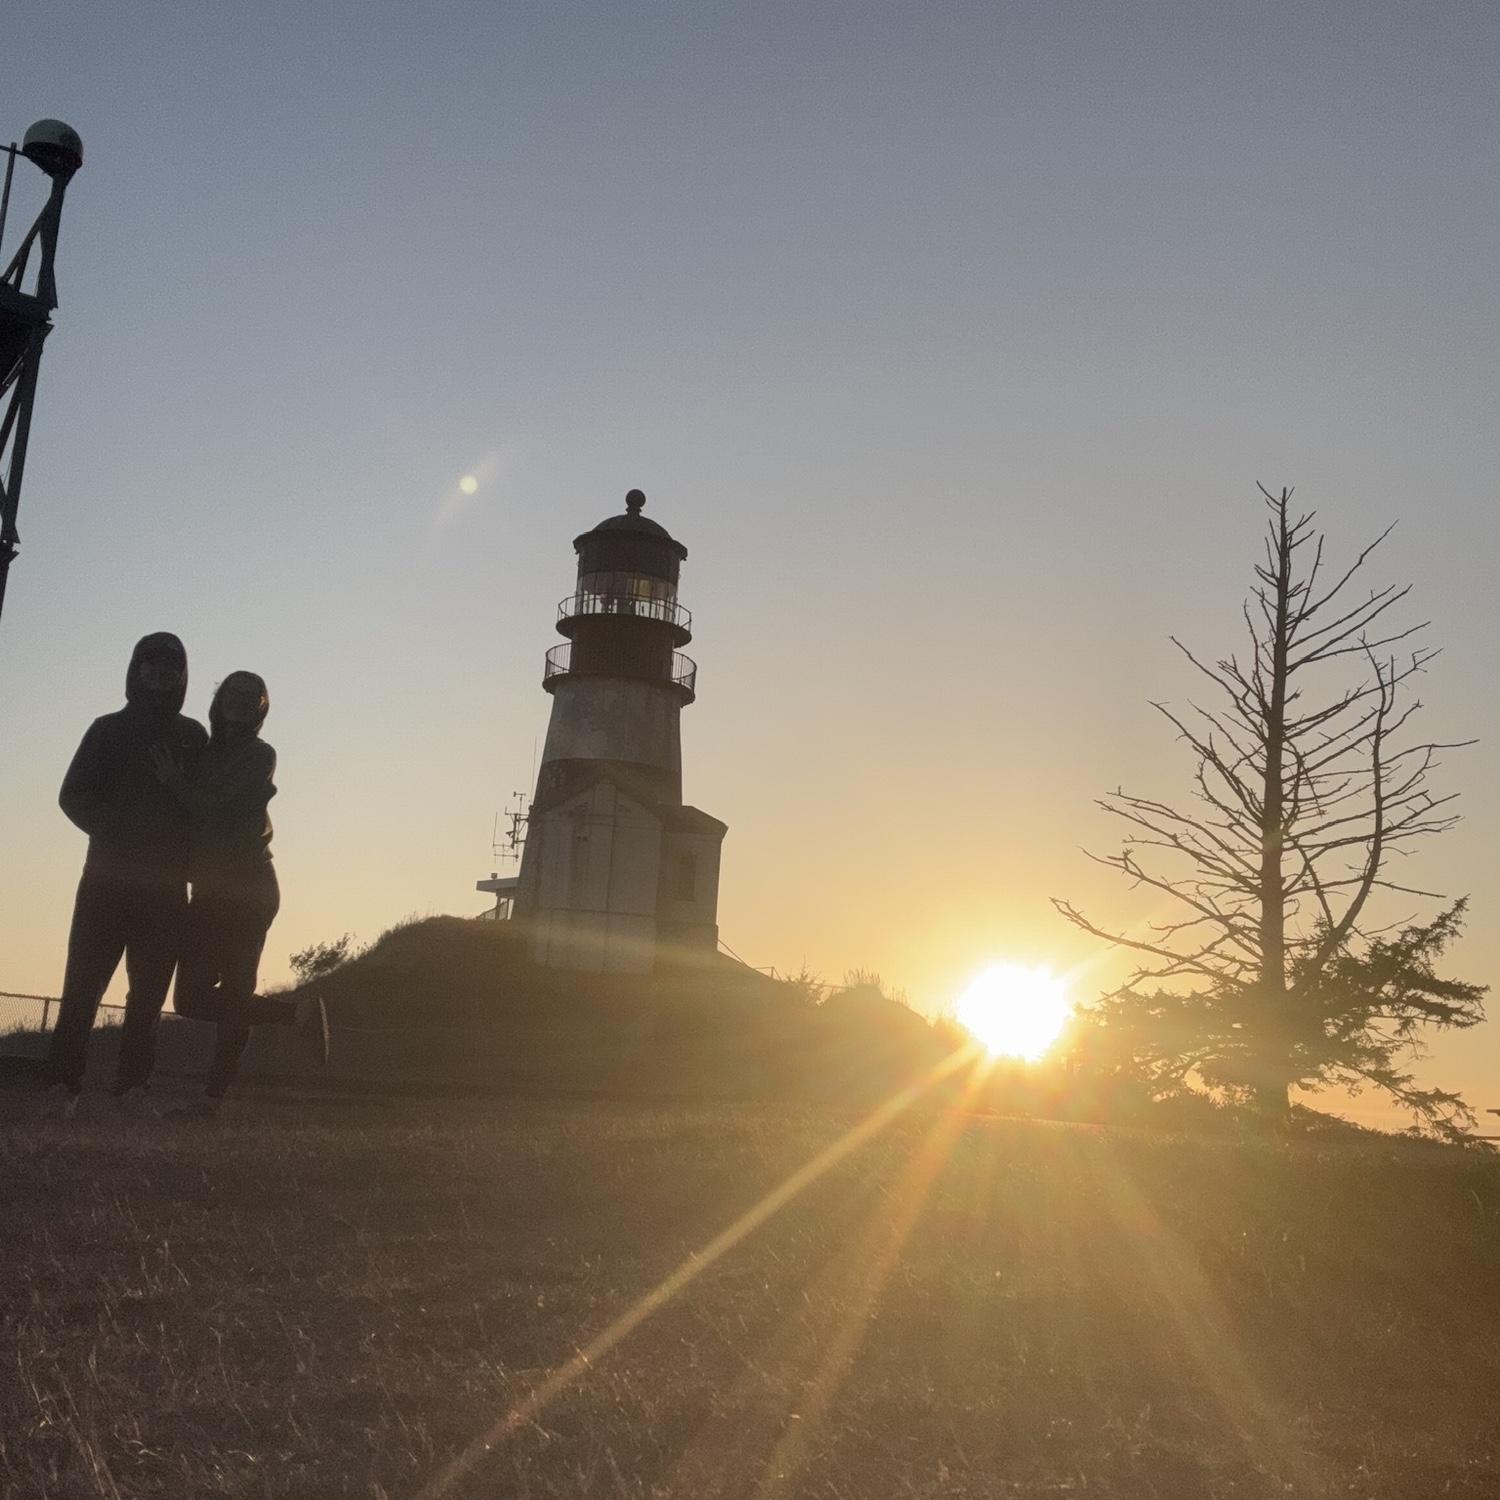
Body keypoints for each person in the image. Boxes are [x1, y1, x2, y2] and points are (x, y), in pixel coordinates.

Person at [46, 633, 208, 1110]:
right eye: (151, 664)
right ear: (136, 669)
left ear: (182, 675)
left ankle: (134, 1086)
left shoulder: (192, 736)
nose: (160, 673)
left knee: (149, 994)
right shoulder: (106, 729)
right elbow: (72, 794)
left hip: (165, 887)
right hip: (105, 881)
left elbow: (205, 809)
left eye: (170, 667)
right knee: (81, 987)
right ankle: (62, 1084)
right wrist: (116, 826)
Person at [155, 671, 327, 1118]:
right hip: (210, 889)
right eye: (234, 692)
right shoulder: (203, 753)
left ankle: (212, 1099)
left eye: (253, 697)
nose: (241, 701)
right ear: (220, 699)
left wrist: (175, 784)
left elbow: (218, 811)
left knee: (235, 993)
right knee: (190, 999)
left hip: (249, 886)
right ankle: (298, 1015)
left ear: (262, 709)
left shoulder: (260, 755)